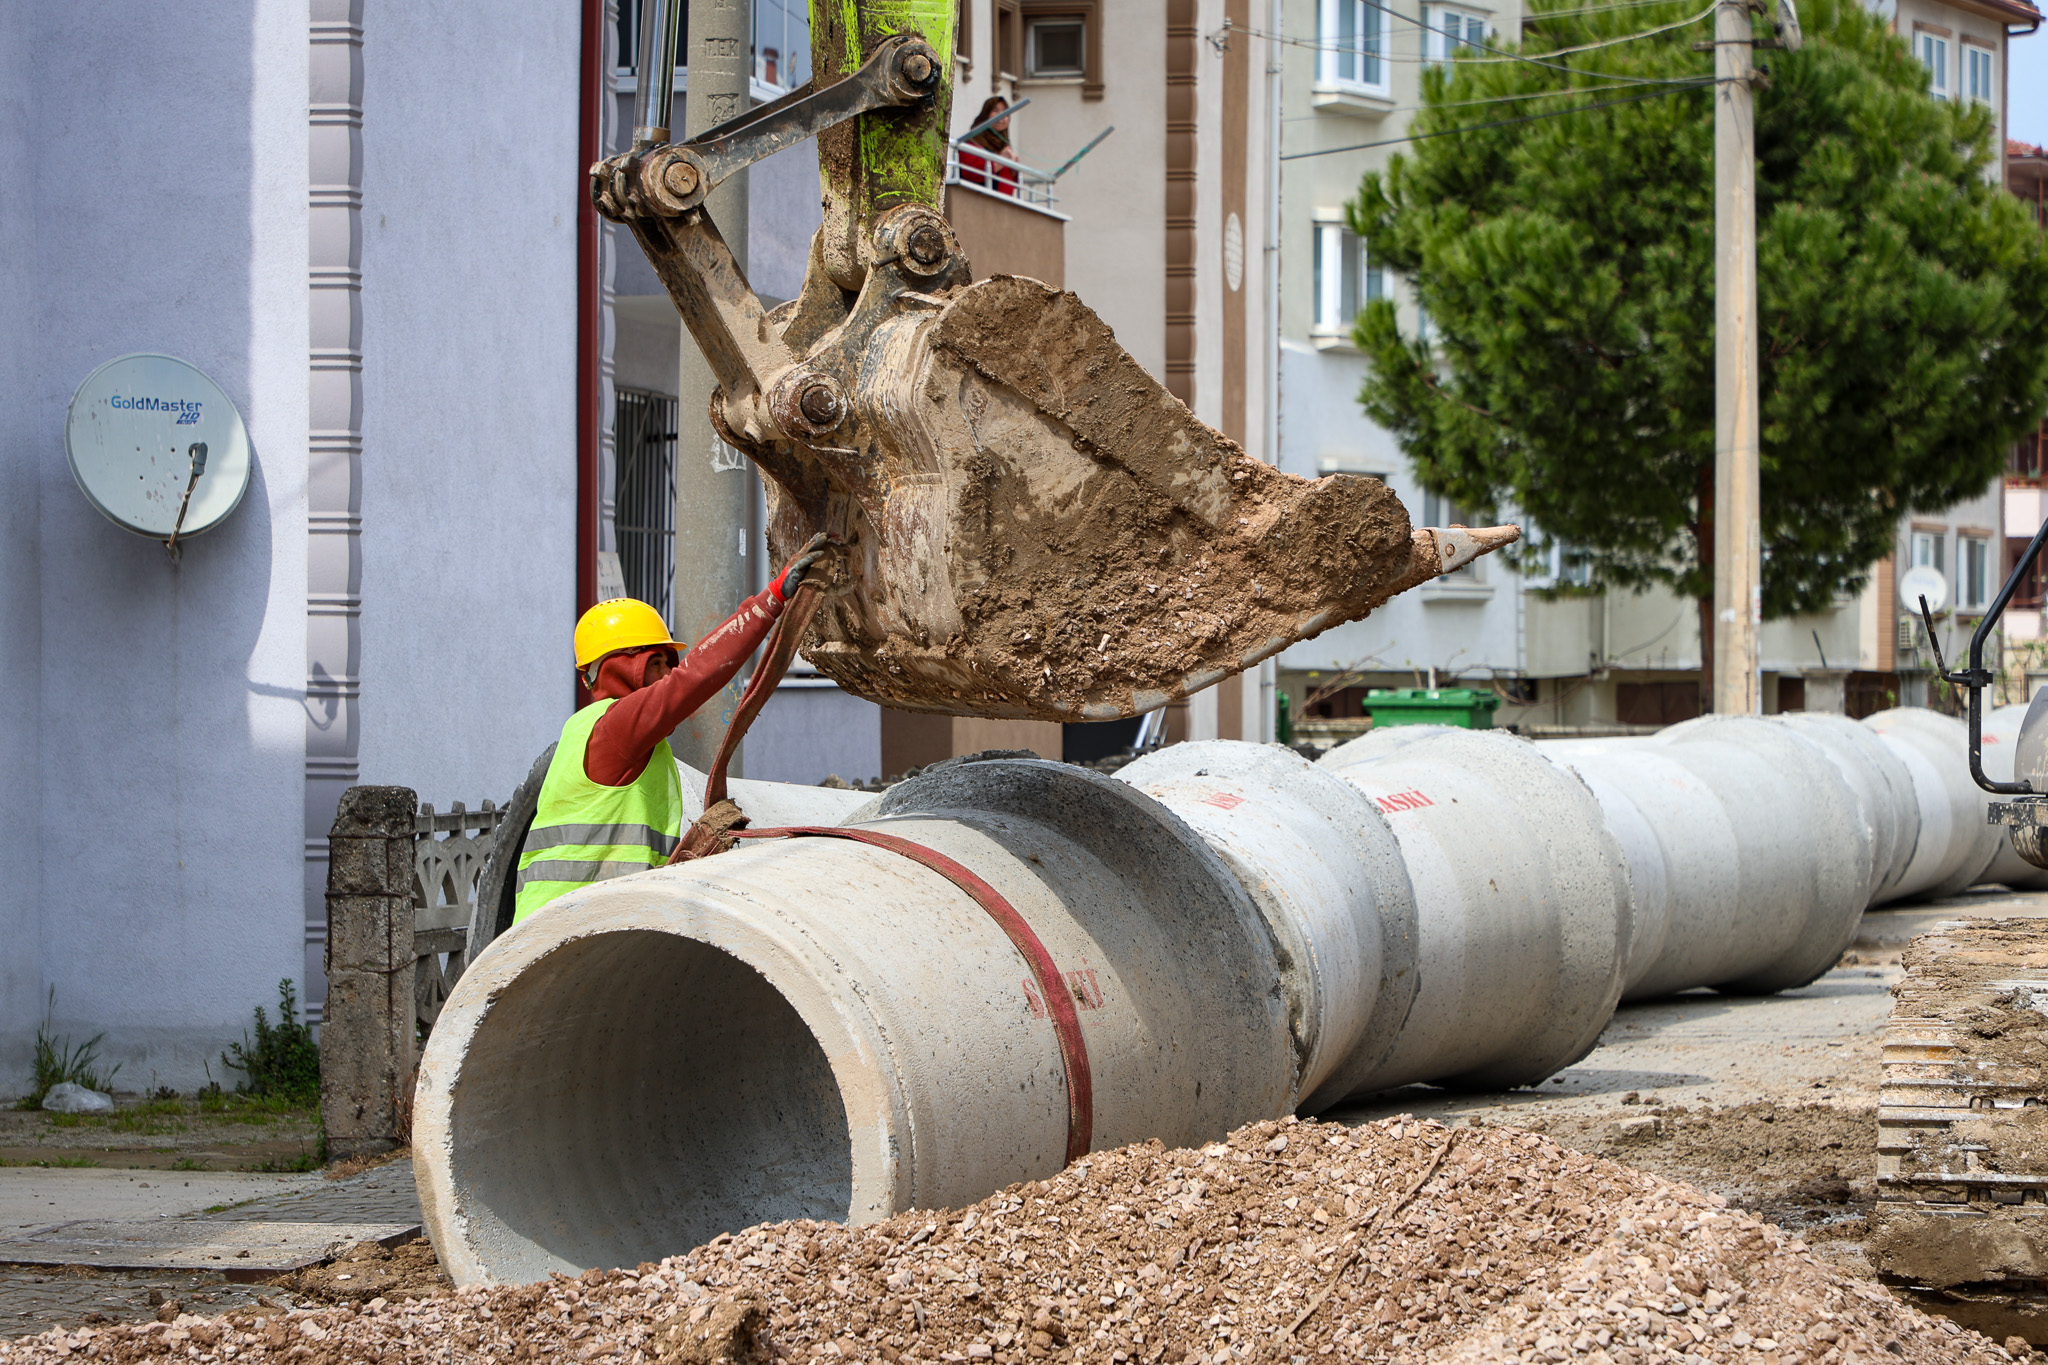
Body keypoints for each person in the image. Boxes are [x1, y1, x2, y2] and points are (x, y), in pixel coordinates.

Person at [512, 533, 830, 922]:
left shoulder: (591, 731)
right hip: (571, 929)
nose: (668, 675)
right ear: (624, 665)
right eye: (658, 663)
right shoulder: (617, 728)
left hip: (568, 923)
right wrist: (773, 599)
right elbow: (695, 676)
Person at [958, 95, 1019, 197]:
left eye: (1005, 112)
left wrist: (1015, 167)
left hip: (1004, 205)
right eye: (996, 110)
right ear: (986, 115)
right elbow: (969, 173)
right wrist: (1000, 161)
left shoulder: (1004, 145)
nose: (1001, 116)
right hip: (977, 201)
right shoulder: (973, 141)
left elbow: (1010, 182)